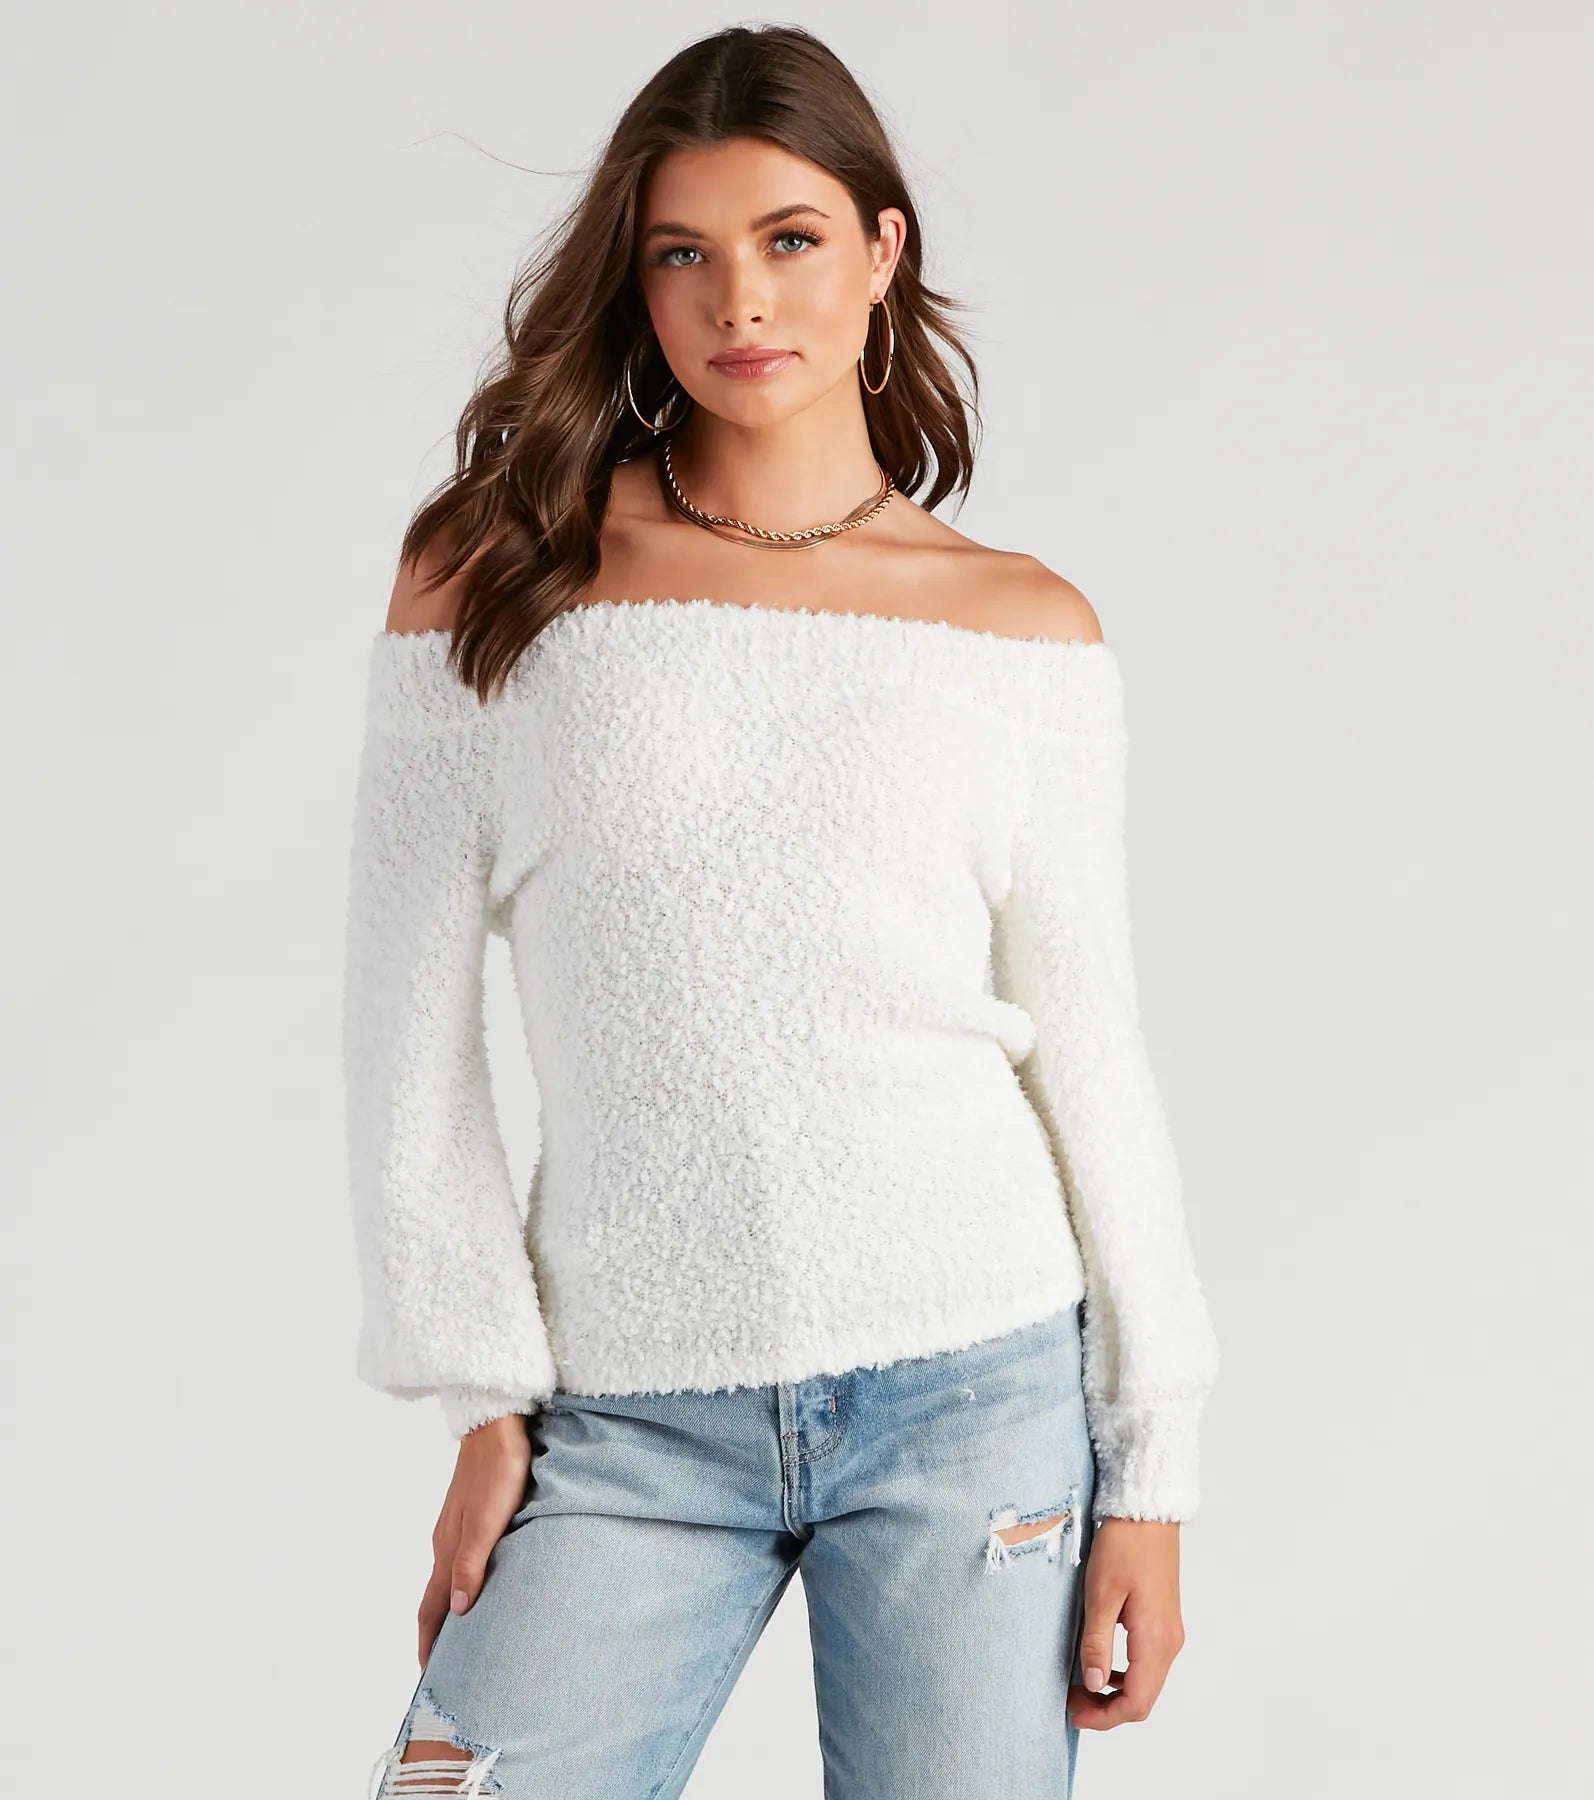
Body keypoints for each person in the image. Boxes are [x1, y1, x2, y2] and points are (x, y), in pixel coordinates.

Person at [344, 24, 1220, 1800]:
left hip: (977, 1387)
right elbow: (402, 1029)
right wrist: (479, 1394)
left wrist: (1152, 1470)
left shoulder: (1019, 627)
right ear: (635, 278)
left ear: (882, 251)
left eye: (790, 238)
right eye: (683, 251)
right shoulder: (500, 576)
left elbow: (1090, 1052)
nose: (739, 297)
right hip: (627, 1409)